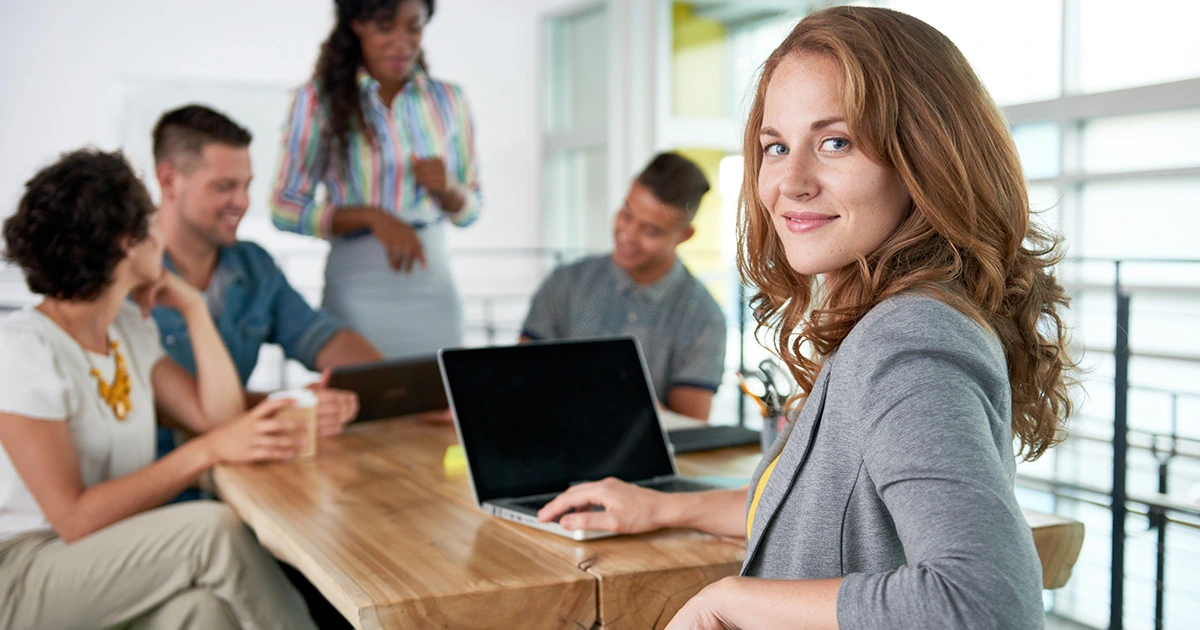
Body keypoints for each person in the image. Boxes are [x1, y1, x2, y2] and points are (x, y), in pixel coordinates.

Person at [538, 7, 1075, 628]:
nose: (789, 182)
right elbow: (806, 507)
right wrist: (657, 507)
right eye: (775, 147)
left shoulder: (908, 338)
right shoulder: (884, 324)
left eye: (835, 142)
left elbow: (986, 605)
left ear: (921, 157)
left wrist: (730, 598)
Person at [0, 149, 317, 629]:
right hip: (26, 572)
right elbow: (73, 519)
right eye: (152, 221)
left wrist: (192, 308)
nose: (161, 235)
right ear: (129, 242)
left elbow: (219, 418)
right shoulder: (23, 349)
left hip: (105, 560)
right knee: (214, 531)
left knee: (205, 613)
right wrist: (205, 453)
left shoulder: (129, 329)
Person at [152, 105, 382, 456]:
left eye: (246, 186)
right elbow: (169, 405)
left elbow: (320, 335)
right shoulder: (125, 274)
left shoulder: (253, 265)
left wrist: (398, 385)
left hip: (244, 468)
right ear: (169, 180)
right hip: (161, 481)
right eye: (224, 187)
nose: (242, 202)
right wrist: (296, 408)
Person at [271, 0, 482, 358]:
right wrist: (374, 217)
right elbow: (284, 207)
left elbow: (471, 210)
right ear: (357, 24)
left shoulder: (449, 100)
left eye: (413, 27)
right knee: (362, 400)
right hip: (358, 285)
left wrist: (449, 188)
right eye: (386, 27)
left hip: (432, 285)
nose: (402, 43)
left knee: (441, 404)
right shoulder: (316, 100)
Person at [521, 152, 727, 420]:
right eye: (626, 214)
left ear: (684, 236)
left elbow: (690, 427)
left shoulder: (704, 317)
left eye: (651, 231)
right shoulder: (566, 283)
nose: (627, 235)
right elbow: (521, 379)